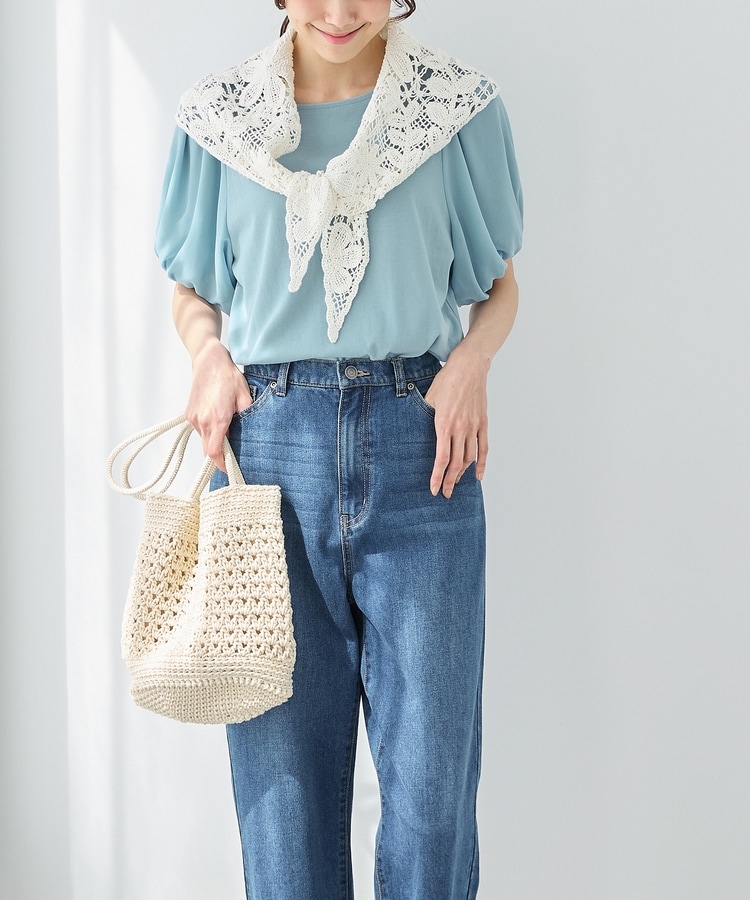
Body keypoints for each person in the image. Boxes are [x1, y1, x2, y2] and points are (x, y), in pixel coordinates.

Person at [155, 1, 522, 896]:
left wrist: (472, 363)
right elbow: (191, 289)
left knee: (433, 803)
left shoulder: (454, 109)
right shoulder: (220, 119)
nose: (340, 11)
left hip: (423, 454)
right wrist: (208, 357)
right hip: (268, 460)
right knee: (284, 811)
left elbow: (499, 285)